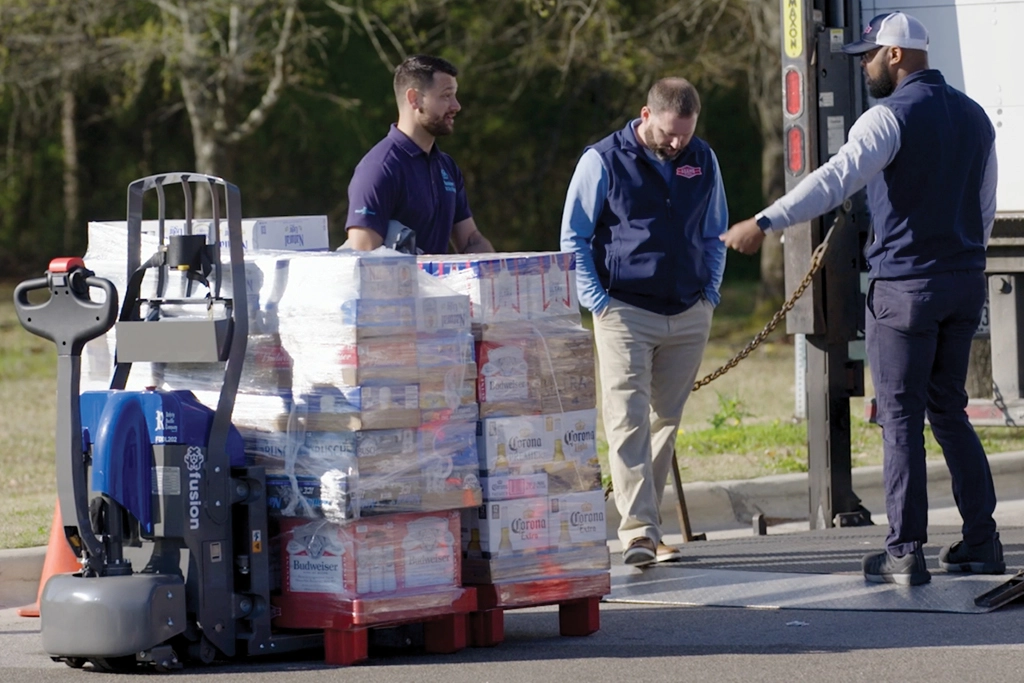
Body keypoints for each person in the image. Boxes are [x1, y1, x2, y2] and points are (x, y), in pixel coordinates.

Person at [721, 11, 1002, 586]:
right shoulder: (976, 118)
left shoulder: (886, 120)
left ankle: (905, 550)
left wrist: (766, 220)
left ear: (895, 55)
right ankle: (982, 542)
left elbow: (835, 178)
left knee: (900, 420)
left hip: (905, 288)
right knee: (949, 411)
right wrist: (963, 256)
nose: (865, 66)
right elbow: (985, 206)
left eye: (869, 56)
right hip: (963, 282)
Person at [560, 78, 728, 566]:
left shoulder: (703, 158)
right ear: (645, 115)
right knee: (626, 418)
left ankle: (649, 529)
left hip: (689, 306)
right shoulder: (602, 160)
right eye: (669, 134)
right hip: (624, 308)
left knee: (664, 422)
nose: (677, 144)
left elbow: (717, 228)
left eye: (686, 134)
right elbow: (574, 235)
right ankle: (636, 533)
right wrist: (597, 302)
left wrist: (710, 294)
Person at [345, 54, 494, 254]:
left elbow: (470, 240)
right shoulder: (379, 168)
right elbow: (363, 255)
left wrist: (501, 274)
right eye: (446, 95)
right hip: (397, 286)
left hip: (438, 286)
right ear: (414, 99)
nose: (456, 106)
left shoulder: (447, 167)